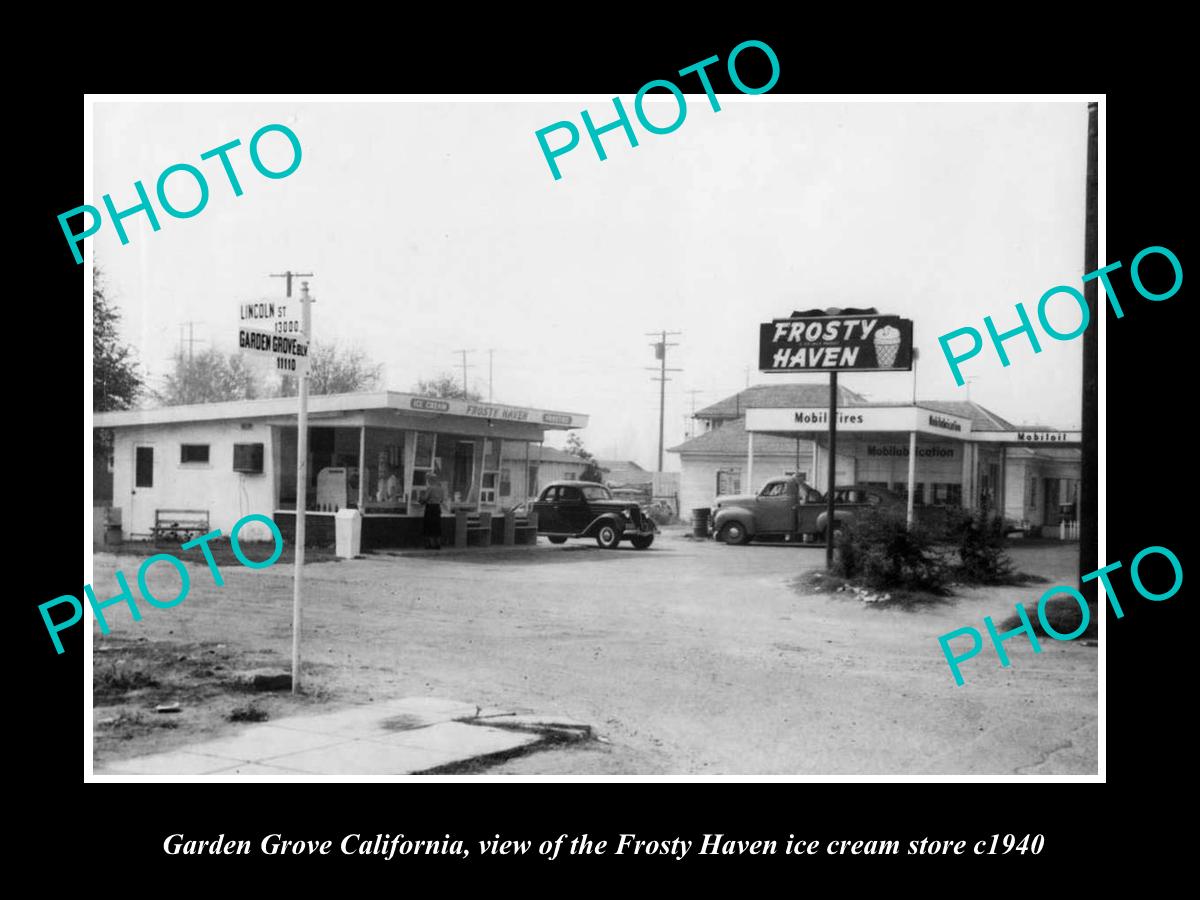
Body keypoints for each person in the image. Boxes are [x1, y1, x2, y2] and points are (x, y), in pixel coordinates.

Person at [423, 479, 446, 549]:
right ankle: (438, 544)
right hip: (437, 508)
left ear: (430, 481)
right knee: (437, 526)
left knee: (429, 526)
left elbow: (425, 498)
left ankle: (431, 544)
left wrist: (420, 500)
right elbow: (442, 500)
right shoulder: (441, 489)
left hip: (430, 508)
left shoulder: (430, 488)